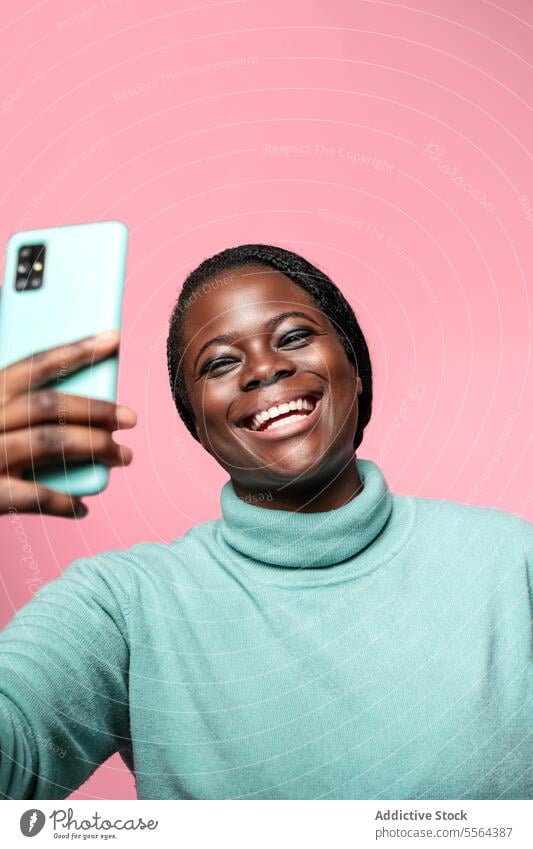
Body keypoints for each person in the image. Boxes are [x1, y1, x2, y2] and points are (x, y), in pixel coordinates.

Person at [0, 243, 531, 800]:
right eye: (221, 363)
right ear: (197, 425)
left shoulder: (511, 563)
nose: (263, 368)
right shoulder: (124, 605)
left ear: (357, 370)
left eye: (295, 337)